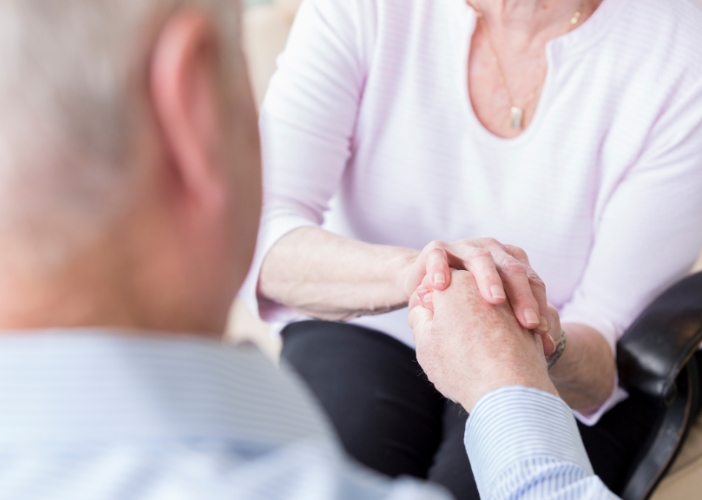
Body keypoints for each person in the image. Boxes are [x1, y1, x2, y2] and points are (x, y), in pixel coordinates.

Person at [0, 0, 623, 499]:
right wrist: (480, 346)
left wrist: (525, 350)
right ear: (196, 114)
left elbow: (609, 341)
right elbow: (278, 227)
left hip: (549, 354)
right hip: (375, 325)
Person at [243, 0, 702, 496]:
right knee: (331, 471)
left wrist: (535, 336)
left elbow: (603, 354)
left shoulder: (683, 54)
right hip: (365, 318)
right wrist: (421, 274)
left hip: (552, 357)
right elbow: (265, 233)